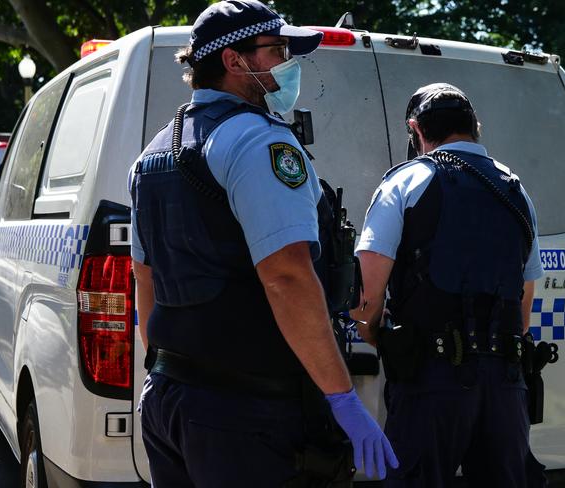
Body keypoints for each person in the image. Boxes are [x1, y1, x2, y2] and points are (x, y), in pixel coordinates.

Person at [128, 1, 397, 486]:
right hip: (247, 415)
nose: (288, 64)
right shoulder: (258, 142)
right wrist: (342, 398)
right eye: (275, 51)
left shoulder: (153, 153)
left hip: (171, 401)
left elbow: (145, 279)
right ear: (234, 61)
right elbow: (287, 275)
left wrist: (175, 375)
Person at [351, 83, 547, 487]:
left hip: (430, 383)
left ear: (416, 129)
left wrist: (375, 333)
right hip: (506, 386)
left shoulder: (407, 182)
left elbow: (365, 294)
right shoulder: (515, 190)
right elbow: (524, 306)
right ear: (475, 127)